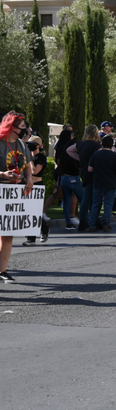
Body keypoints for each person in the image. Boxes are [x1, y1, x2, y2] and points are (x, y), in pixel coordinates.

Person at [1, 112, 34, 283]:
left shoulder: (21, 144)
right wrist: (2, 174)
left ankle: (2, 271)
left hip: (13, 193)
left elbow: (28, 165)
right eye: (22, 127)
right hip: (0, 189)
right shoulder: (0, 143)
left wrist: (29, 178)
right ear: (12, 128)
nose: (25, 130)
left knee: (8, 234)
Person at [66, 124, 101, 233]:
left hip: (84, 170)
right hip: (94, 171)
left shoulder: (80, 144)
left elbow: (69, 150)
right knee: (90, 197)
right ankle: (84, 221)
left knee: (88, 195)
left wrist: (80, 158)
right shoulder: (96, 145)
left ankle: (90, 219)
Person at [87, 134, 116, 232]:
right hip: (110, 183)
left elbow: (90, 169)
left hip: (98, 182)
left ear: (101, 144)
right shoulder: (114, 155)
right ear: (112, 145)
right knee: (108, 204)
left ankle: (92, 225)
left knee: (96, 204)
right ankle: (106, 223)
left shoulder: (96, 154)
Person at [22, 137, 50, 246]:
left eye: (31, 144)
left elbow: (34, 171)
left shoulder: (41, 157)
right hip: (27, 186)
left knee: (35, 212)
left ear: (37, 145)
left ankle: (43, 230)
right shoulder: (25, 156)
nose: (29, 146)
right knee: (27, 211)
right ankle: (31, 237)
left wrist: (28, 158)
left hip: (37, 185)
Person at [54, 128, 83, 230]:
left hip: (64, 178)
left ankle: (68, 223)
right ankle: (85, 221)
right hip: (74, 178)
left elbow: (58, 163)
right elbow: (78, 167)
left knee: (66, 201)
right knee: (82, 200)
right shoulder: (74, 155)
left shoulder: (61, 150)